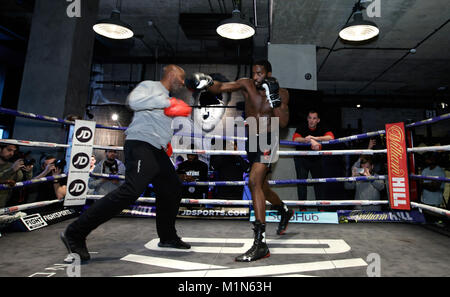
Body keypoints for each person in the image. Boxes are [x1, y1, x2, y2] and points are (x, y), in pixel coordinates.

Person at [61, 64, 193, 262]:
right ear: (171, 73)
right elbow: (133, 101)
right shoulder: (151, 86)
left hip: (156, 148)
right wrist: (167, 102)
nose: (182, 82)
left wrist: (166, 144)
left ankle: (167, 237)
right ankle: (75, 232)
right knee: (132, 190)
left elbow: (155, 123)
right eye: (181, 78)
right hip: (140, 143)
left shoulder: (166, 97)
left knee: (172, 188)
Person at [186, 60, 293, 262]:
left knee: (253, 181)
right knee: (262, 187)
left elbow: (284, 121)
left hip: (270, 138)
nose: (256, 77)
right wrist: (208, 82)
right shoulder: (247, 84)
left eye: (259, 73)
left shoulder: (283, 92)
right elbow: (222, 87)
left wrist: (274, 97)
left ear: (268, 73)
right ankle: (284, 210)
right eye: (254, 73)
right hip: (252, 138)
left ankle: (260, 243)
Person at [292, 110, 334, 205]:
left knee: (319, 183)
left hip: (316, 159)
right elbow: (295, 138)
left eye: (314, 118)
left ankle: (321, 209)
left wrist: (315, 138)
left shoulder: (322, 126)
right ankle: (302, 209)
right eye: (310, 118)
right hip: (302, 159)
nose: (311, 120)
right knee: (302, 184)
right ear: (307, 119)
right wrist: (308, 140)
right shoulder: (302, 126)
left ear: (318, 120)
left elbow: (331, 137)